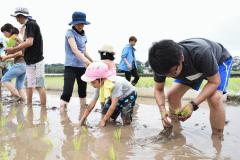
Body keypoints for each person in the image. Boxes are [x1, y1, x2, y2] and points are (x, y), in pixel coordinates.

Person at [148, 38, 232, 136]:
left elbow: (214, 82)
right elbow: (158, 90)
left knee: (214, 98)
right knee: (172, 95)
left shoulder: (201, 52)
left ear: (181, 58)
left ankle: (217, 138)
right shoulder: (161, 65)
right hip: (191, 69)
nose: (169, 76)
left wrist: (193, 104)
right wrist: (162, 111)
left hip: (219, 61)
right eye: (166, 75)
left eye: (173, 72)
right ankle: (176, 130)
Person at [5, 7, 46, 106]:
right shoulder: (28, 25)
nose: (17, 19)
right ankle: (29, 106)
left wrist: (13, 49)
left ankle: (43, 109)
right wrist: (19, 43)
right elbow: (26, 42)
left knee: (39, 85)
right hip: (30, 61)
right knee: (29, 85)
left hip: (36, 60)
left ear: (21, 16)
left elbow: (29, 42)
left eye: (17, 17)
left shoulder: (30, 24)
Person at [79, 61, 137, 127]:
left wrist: (104, 120)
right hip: (115, 96)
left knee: (125, 113)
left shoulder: (115, 84)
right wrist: (82, 120)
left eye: (93, 82)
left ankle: (127, 128)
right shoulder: (99, 85)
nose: (92, 85)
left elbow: (113, 105)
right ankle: (110, 127)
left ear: (102, 79)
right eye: (91, 82)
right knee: (105, 111)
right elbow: (91, 104)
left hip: (129, 95)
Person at [60, 11, 92, 111]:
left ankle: (83, 111)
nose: (80, 25)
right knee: (67, 92)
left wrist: (92, 61)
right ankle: (62, 114)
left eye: (82, 23)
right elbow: (75, 50)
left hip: (82, 67)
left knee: (82, 91)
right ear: (74, 23)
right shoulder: (69, 33)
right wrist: (87, 62)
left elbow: (84, 51)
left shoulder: (84, 35)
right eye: (78, 23)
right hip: (71, 66)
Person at [1, 23, 26, 102]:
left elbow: (19, 53)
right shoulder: (19, 37)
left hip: (20, 64)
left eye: (4, 32)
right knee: (19, 86)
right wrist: (6, 57)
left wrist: (7, 56)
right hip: (25, 64)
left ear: (9, 31)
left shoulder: (13, 38)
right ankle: (24, 102)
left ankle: (18, 97)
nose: (4, 35)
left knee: (4, 79)